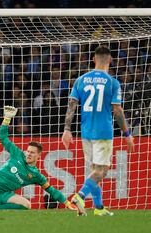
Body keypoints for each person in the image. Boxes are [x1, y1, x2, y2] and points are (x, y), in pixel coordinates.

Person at [61, 46, 135, 216]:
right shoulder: (113, 83)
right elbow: (117, 110)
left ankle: (99, 208)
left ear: (93, 59)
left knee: (95, 171)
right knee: (102, 171)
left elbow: (72, 105)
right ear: (110, 60)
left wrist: (66, 129)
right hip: (103, 132)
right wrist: (127, 134)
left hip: (86, 132)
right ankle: (80, 196)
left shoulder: (80, 80)